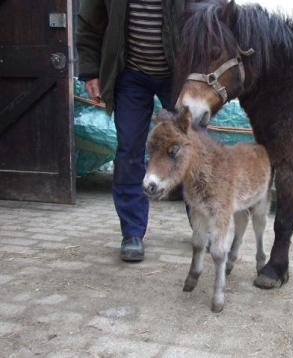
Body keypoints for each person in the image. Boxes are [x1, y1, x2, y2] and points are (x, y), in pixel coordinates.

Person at [76, 0, 198, 262]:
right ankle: (132, 233)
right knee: (129, 149)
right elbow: (89, 23)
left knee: (193, 148)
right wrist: (90, 71)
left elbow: (214, 16)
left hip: (181, 73)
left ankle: (202, 226)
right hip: (130, 74)